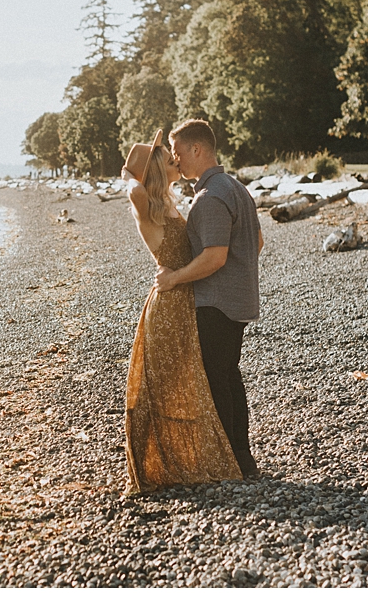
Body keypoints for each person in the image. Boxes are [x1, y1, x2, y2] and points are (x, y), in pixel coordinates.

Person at [119, 130, 240, 495]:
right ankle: (158, 463)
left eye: (171, 152)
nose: (173, 157)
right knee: (165, 385)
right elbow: (132, 186)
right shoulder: (145, 204)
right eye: (165, 155)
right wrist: (134, 167)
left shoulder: (170, 202)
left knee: (192, 382)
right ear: (155, 167)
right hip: (170, 302)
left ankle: (189, 459)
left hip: (188, 299)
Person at [155, 118, 264, 479]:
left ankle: (230, 462)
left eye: (179, 152)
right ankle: (241, 459)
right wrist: (241, 271)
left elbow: (215, 256)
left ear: (197, 149)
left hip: (216, 303)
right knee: (227, 376)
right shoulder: (235, 188)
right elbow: (257, 243)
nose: (177, 159)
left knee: (218, 378)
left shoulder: (212, 195)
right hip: (238, 300)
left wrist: (173, 279)